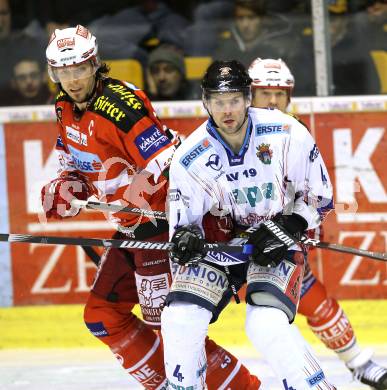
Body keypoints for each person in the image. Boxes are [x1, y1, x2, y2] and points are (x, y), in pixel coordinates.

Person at [40, 25, 260, 390]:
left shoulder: (121, 107)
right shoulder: (63, 107)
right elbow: (73, 164)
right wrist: (63, 189)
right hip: (132, 232)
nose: (73, 79)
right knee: (102, 315)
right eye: (63, 72)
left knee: (176, 332)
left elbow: (170, 159)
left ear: (94, 64)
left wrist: (134, 199)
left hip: (161, 228)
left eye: (79, 69)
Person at [161, 59, 336, 389]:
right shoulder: (189, 156)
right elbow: (183, 229)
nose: (227, 111)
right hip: (220, 249)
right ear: (205, 102)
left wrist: (291, 224)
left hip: (274, 242)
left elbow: (320, 196)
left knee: (266, 323)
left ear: (247, 98)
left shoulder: (287, 132)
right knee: (181, 317)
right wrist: (186, 240)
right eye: (218, 102)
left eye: (234, 101)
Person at [248, 57, 387, 390]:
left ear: (290, 96)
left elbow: (314, 193)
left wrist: (296, 224)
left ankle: (358, 362)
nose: (271, 101)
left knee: (309, 295)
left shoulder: (297, 133)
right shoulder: (233, 128)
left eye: (279, 94)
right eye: (264, 92)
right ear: (249, 94)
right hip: (233, 242)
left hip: (279, 241)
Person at [214, 0, 298, 68]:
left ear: (263, 19)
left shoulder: (282, 48)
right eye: (240, 18)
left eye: (251, 18)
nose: (245, 24)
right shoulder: (225, 48)